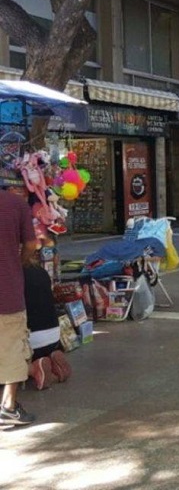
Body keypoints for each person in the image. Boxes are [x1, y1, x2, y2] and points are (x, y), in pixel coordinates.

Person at [0, 181, 39, 427]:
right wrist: (19, 262)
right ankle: (8, 406)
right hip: (7, 291)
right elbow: (31, 244)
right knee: (13, 348)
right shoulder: (15, 203)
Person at [24, 252, 71, 390]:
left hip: (30, 341)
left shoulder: (10, 275)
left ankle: (33, 369)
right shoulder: (41, 271)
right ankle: (50, 359)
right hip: (54, 336)